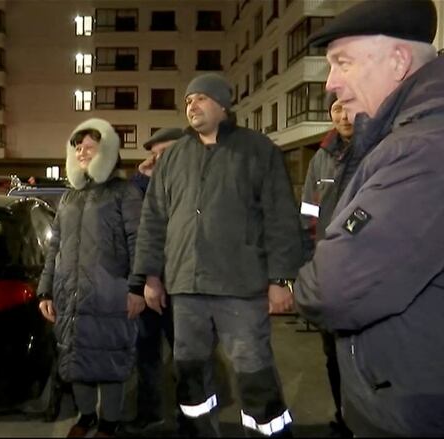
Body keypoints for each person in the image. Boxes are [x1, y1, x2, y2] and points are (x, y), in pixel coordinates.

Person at [293, 0, 444, 436]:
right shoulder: (435, 134)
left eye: (343, 62)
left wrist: (304, 280)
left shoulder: (429, 149)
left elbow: (334, 288)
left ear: (399, 62)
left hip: (422, 412)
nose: (331, 84)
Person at [134, 73, 303, 437]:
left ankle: (268, 432)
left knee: (254, 370)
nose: (191, 106)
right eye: (187, 101)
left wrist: (281, 280)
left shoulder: (258, 150)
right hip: (186, 286)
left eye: (200, 99)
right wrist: (149, 276)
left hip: (240, 285)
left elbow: (281, 218)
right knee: (190, 374)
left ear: (223, 104)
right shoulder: (174, 157)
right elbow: (153, 221)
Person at [37, 118, 145, 437]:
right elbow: (54, 246)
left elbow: (138, 241)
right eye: (78, 147)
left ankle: (109, 422)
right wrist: (45, 290)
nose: (82, 152)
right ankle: (86, 417)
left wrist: (137, 287)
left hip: (111, 293)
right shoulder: (69, 197)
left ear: (108, 150)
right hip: (69, 293)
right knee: (76, 360)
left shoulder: (123, 193)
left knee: (110, 362)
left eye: (90, 146)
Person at [298, 95, 353, 437]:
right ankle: (343, 417)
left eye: (348, 107)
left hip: (365, 267)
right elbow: (308, 210)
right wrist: (309, 256)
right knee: (332, 351)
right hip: (327, 267)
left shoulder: (379, 146)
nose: (343, 115)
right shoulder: (321, 157)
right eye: (336, 109)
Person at [125, 127, 183, 435]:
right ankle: (149, 413)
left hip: (185, 286)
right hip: (151, 284)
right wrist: (141, 176)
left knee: (186, 357)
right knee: (146, 354)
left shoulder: (195, 181)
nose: (160, 159)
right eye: (156, 154)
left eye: (167, 152)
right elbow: (143, 224)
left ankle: (189, 417)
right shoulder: (149, 185)